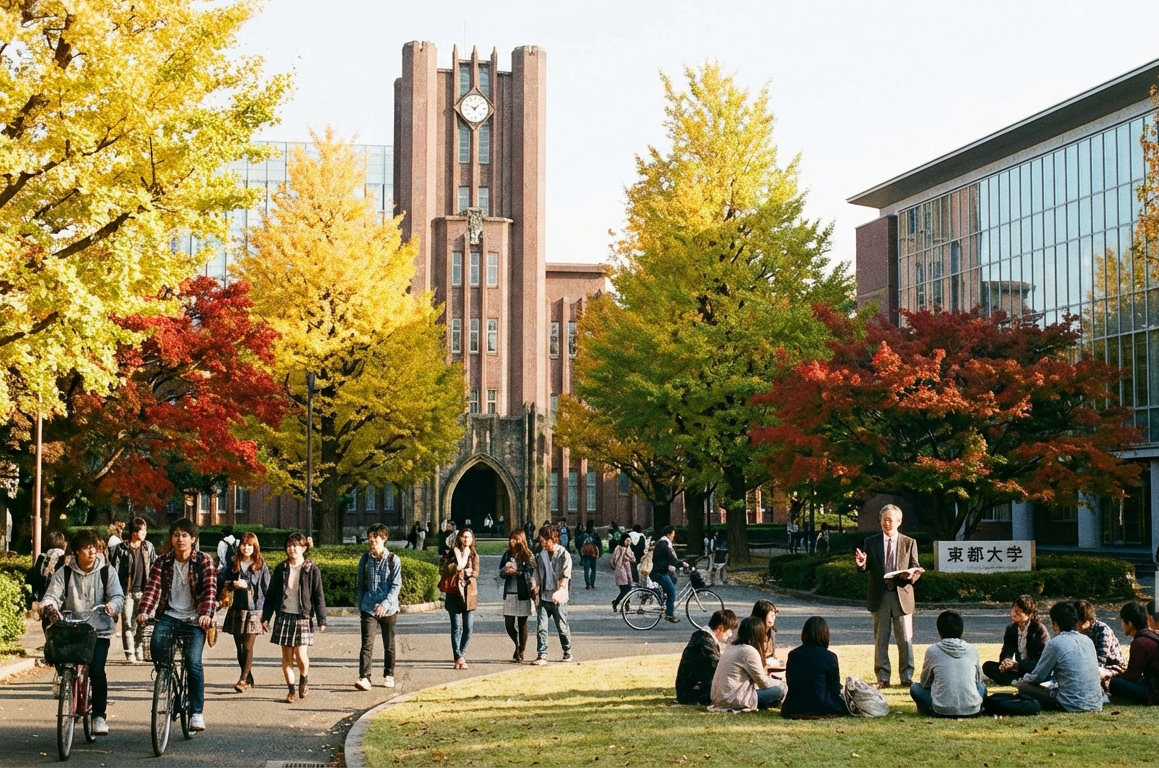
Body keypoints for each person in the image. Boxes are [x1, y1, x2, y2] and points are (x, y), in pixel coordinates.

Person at [40, 529, 124, 737]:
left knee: (96, 670)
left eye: (95, 548)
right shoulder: (65, 572)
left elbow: (118, 596)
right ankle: (66, 686)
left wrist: (113, 606)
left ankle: (99, 716)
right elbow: (51, 595)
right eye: (87, 548)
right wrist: (50, 607)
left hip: (99, 628)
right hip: (72, 626)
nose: (92, 552)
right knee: (62, 661)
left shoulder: (107, 571)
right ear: (77, 551)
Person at [137, 518, 217, 732]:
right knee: (157, 648)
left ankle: (197, 712)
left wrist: (206, 614)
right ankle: (167, 678)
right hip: (169, 616)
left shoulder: (204, 561)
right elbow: (152, 589)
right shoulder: (162, 562)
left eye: (184, 535)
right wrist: (144, 611)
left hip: (195, 619)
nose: (180, 539)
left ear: (193, 539)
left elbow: (210, 590)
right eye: (176, 535)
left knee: (193, 662)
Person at [854, 504, 922, 687]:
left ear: (899, 521)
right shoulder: (871, 542)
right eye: (884, 519)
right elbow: (865, 567)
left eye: (890, 520)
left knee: (905, 639)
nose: (887, 523)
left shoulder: (909, 542)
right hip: (880, 595)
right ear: (880, 521)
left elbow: (916, 567)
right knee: (880, 639)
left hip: (902, 594)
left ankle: (906, 677)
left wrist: (910, 575)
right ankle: (883, 678)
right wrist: (861, 564)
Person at [261, 532, 327, 703]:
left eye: (296, 546)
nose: (292, 549)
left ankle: (304, 677)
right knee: (287, 656)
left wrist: (321, 619)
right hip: (284, 615)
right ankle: (291, 690)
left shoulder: (311, 569)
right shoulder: (281, 568)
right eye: (289, 546)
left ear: (303, 548)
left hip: (302, 617)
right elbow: (272, 595)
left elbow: (318, 595)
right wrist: (265, 617)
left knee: (300, 653)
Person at [1013, 601, 1103, 712]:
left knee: (1023, 686)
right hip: (1095, 703)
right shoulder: (1088, 641)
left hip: (1069, 704)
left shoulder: (1055, 644)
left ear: (1055, 624)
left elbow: (1038, 677)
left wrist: (1023, 680)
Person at [219, 531, 270, 693]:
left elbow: (267, 588)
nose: (246, 548)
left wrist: (267, 614)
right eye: (243, 544)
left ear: (255, 547)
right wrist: (232, 584)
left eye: (249, 545)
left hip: (255, 610)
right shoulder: (233, 562)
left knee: (247, 646)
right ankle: (249, 677)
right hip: (237, 609)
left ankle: (242, 680)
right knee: (239, 648)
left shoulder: (261, 564)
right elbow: (222, 580)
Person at [910, 610, 986, 717]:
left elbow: (925, 683)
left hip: (941, 709)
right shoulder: (973, 650)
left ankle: (927, 709)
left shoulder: (933, 651)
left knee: (915, 688)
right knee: (983, 688)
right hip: (972, 709)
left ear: (939, 632)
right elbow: (978, 681)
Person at [355, 523, 402, 690]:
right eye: (370, 538)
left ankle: (389, 674)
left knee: (389, 644)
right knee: (367, 644)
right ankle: (364, 677)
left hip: (389, 608)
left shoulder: (393, 560)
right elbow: (360, 584)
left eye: (376, 538)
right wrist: (360, 605)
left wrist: (385, 604)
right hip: (368, 607)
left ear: (384, 538)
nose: (372, 541)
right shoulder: (365, 559)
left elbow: (396, 585)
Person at [710, 616, 786, 711]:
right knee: (779, 690)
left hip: (718, 698)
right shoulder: (748, 651)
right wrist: (781, 684)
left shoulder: (730, 647)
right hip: (735, 699)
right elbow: (763, 682)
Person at [108, 516, 156, 663]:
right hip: (126, 592)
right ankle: (130, 652)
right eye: (142, 530)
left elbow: (154, 566)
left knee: (142, 622)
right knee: (127, 623)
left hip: (144, 591)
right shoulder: (121, 548)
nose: (144, 533)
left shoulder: (148, 547)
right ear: (134, 532)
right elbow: (114, 569)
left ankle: (139, 648)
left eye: (145, 530)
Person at [781, 616, 848, 719]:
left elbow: (790, 682)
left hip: (795, 706)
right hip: (822, 706)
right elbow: (834, 689)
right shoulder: (830, 657)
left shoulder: (793, 654)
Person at [981, 594, 1051, 686]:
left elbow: (1042, 660)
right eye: (1013, 610)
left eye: (1018, 612)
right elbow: (1006, 650)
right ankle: (1017, 680)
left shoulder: (1039, 630)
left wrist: (1018, 665)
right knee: (988, 666)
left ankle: (1019, 681)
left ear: (1029, 614)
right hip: (1017, 669)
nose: (1013, 614)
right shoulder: (1011, 629)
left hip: (1033, 668)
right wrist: (1006, 661)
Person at [531, 523, 574, 664]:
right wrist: (535, 584)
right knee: (541, 627)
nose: (541, 542)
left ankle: (567, 651)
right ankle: (542, 654)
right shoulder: (541, 555)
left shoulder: (564, 554)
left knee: (562, 626)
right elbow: (537, 572)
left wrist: (560, 591)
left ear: (552, 538)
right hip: (544, 596)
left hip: (559, 597)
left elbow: (565, 575)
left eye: (543, 539)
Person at [675, 609, 738, 705]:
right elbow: (718, 666)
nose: (731, 635)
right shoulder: (704, 642)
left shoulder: (702, 637)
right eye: (730, 631)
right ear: (720, 628)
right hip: (691, 693)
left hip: (688, 689)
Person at [440, 527, 479, 669]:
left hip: (469, 593)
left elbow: (477, 572)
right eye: (464, 536)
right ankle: (459, 657)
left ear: (472, 539)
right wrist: (455, 567)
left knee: (468, 628)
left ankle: (460, 654)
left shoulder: (473, 555)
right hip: (454, 593)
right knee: (456, 627)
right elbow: (442, 570)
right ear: (459, 538)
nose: (466, 539)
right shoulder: (451, 553)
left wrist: (470, 573)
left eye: (469, 537)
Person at [1108, 600, 1159, 705]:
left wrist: (1115, 675)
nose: (1122, 626)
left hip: (1154, 693)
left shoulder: (1139, 643)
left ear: (1130, 624)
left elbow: (1132, 676)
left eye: (1123, 622)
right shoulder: (1153, 635)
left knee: (1114, 683)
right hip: (1154, 682)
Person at [500, 529, 535, 662]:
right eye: (511, 539)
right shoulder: (507, 554)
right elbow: (500, 572)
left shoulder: (528, 554)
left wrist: (518, 572)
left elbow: (533, 571)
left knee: (522, 623)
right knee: (509, 624)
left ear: (522, 539)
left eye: (515, 539)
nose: (512, 541)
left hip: (523, 592)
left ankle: (521, 650)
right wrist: (506, 571)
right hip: (510, 592)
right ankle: (516, 643)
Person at [1073, 598, 1126, 677]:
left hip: (1113, 667)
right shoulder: (1079, 631)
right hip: (1092, 665)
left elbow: (1101, 661)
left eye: (1079, 622)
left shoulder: (1102, 631)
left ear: (1087, 620)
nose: (1076, 625)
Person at [652, 526, 689, 623]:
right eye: (673, 534)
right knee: (672, 590)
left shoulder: (663, 543)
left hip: (660, 570)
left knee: (673, 579)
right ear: (668, 534)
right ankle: (669, 614)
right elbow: (671, 558)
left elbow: (670, 558)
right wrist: (682, 563)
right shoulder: (664, 544)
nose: (673, 537)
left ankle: (664, 599)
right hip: (659, 572)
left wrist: (680, 562)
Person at [29, 531, 68, 607]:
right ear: (62, 543)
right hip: (59, 600)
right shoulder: (64, 558)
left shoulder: (41, 557)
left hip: (42, 597)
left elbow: (35, 578)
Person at [751, 599, 785, 675]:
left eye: (775, 615)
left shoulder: (770, 630)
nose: (774, 618)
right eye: (771, 615)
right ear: (762, 615)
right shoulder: (752, 631)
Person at [610, 533, 636, 611]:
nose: (628, 542)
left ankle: (626, 604)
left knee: (629, 589)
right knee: (625, 590)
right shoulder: (618, 548)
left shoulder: (628, 548)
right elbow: (615, 559)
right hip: (620, 571)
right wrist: (625, 552)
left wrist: (628, 549)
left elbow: (633, 559)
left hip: (627, 571)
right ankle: (616, 602)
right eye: (627, 540)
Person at [578, 520, 602, 590]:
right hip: (593, 553)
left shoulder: (583, 534)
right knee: (593, 569)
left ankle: (587, 584)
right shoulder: (595, 534)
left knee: (586, 570)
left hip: (585, 553)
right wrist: (599, 552)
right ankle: (592, 584)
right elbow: (599, 543)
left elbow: (578, 543)